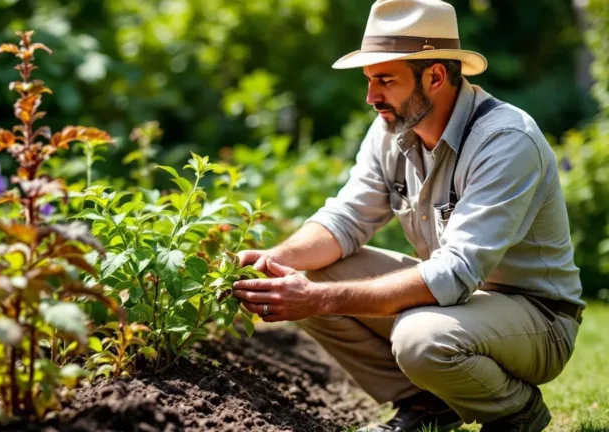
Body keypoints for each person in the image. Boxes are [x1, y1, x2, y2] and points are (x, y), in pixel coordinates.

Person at [232, 1, 585, 431]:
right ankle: (427, 406)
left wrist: (319, 298)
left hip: (537, 319)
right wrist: (273, 258)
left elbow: (455, 273)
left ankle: (516, 412)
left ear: (435, 76)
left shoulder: (504, 140)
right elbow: (346, 218)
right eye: (368, 80)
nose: (370, 96)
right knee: (308, 270)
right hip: (461, 305)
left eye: (384, 80)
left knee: (420, 338)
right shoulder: (393, 129)